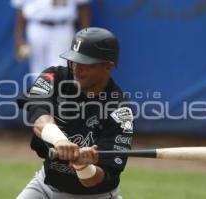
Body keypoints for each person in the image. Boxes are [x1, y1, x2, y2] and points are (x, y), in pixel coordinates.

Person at [17, 27, 134, 199]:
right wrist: (59, 140)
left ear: (108, 65)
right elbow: (38, 114)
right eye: (74, 61)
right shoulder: (55, 76)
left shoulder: (120, 111)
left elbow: (105, 178)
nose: (77, 69)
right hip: (46, 186)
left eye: (86, 63)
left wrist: (83, 166)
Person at [11, 0, 91, 80]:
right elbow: (20, 9)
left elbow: (82, 6)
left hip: (63, 28)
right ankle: (39, 92)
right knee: (38, 71)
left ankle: (56, 91)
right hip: (37, 27)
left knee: (60, 70)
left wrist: (85, 36)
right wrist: (19, 39)